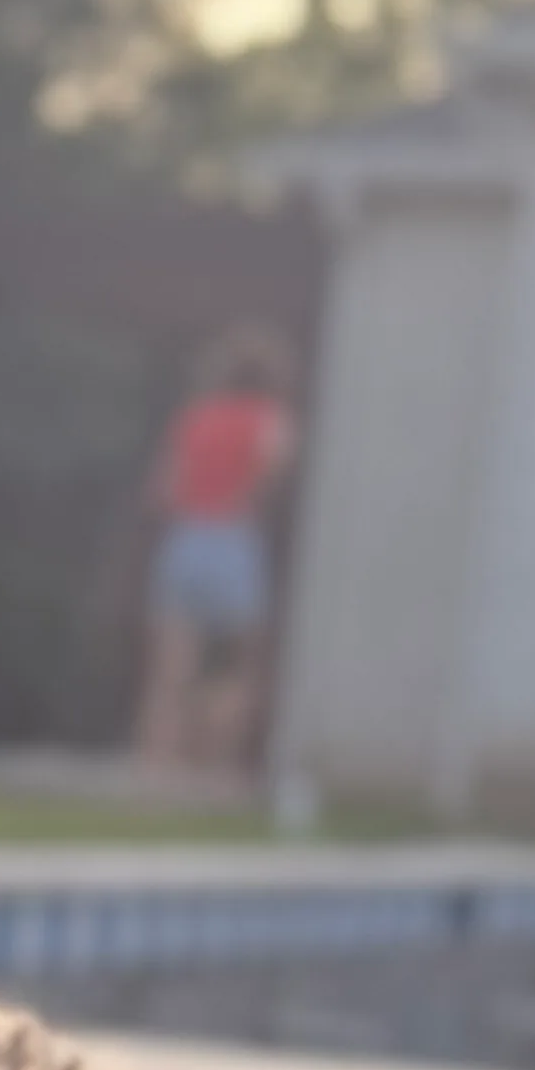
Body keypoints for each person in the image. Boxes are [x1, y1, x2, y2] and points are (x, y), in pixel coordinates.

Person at [136, 323, 299, 777]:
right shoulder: (270, 418)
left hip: (185, 536)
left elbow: (163, 488)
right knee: (232, 663)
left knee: (171, 665)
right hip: (233, 537)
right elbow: (274, 470)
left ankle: (158, 763)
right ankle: (215, 766)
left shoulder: (194, 418)